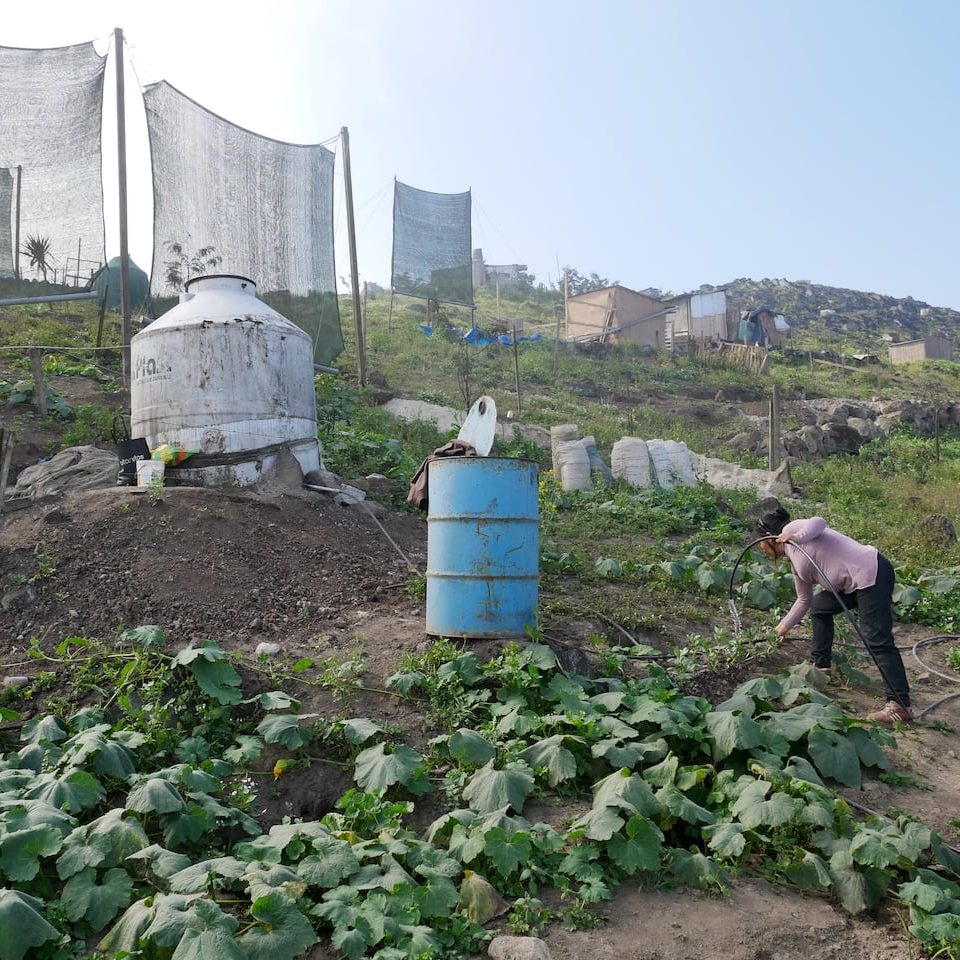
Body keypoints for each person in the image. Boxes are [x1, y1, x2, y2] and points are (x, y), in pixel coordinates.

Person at [753, 505, 913, 725]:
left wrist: (794, 536)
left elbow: (819, 522)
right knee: (819, 608)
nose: (761, 548)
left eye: (761, 543)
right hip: (852, 585)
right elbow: (804, 600)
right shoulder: (794, 558)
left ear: (769, 537)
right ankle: (820, 666)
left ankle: (899, 705)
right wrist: (780, 630)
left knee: (877, 640)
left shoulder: (794, 530)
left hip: (871, 573)